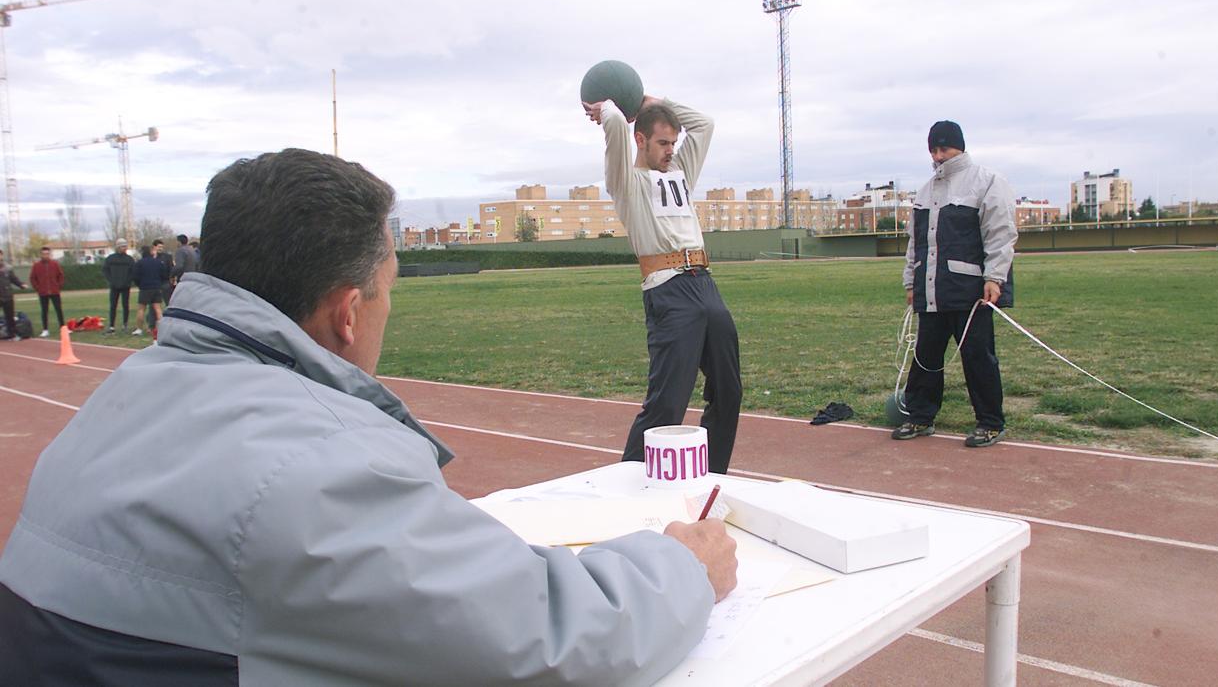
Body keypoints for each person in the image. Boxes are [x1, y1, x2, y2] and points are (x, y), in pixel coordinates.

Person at [0, 148, 737, 685]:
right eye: (388, 290)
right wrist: (683, 566)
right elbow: (552, 639)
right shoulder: (317, 459)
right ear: (348, 312)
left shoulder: (127, 392)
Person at [583, 93, 742, 474]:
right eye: (663, 143)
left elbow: (704, 123)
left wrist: (655, 100)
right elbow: (617, 128)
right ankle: (630, 481)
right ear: (641, 141)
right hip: (668, 292)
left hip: (704, 284)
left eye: (674, 142)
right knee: (668, 403)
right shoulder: (627, 181)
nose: (672, 150)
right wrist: (608, 106)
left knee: (729, 390)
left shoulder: (680, 173)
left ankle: (711, 477)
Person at [893, 121, 1019, 448]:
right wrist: (912, 282)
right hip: (931, 291)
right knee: (925, 357)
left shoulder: (987, 181)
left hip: (969, 293)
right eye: (933, 149)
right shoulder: (924, 191)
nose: (938, 156)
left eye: (944, 149)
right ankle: (920, 416)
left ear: (959, 147)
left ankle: (990, 422)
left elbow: (1000, 234)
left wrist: (995, 277)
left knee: (978, 358)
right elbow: (915, 243)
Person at [130, 244, 168, 338]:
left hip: (144, 288)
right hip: (156, 287)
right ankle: (161, 329)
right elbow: (164, 274)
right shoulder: (158, 262)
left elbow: (135, 276)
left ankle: (139, 329)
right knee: (158, 309)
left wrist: (140, 284)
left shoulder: (139, 263)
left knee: (141, 309)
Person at [28, 246, 65, 337]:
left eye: (47, 254)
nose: (45, 255)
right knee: (44, 311)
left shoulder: (55, 264)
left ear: (50, 254)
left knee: (58, 309)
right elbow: (33, 278)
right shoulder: (36, 266)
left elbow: (61, 275)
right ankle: (45, 329)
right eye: (43, 254)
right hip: (43, 292)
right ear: (41, 255)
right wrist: (38, 288)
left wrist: (58, 285)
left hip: (54, 291)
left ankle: (62, 328)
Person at [101, 238, 135, 334]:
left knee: (125, 305)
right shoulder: (110, 258)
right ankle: (112, 326)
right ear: (118, 247)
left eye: (125, 246)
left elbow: (132, 272)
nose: (125, 248)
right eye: (123, 246)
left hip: (125, 286)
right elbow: (105, 271)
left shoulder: (129, 259)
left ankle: (125, 325)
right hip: (114, 286)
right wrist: (111, 281)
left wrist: (128, 282)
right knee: (113, 306)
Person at [0, 248, 26, 341]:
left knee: (9, 316)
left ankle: (12, 334)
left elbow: (14, 279)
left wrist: (21, 284)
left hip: (7, 295)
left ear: (2, 256)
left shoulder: (8, 268)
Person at [148, 238, 174, 329]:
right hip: (154, 283)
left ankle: (170, 322)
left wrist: (171, 279)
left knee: (168, 303)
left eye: (162, 247)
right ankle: (152, 324)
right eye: (159, 247)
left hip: (165, 282)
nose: (160, 249)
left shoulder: (167, 257)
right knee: (153, 305)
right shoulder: (150, 257)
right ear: (154, 247)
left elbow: (171, 269)